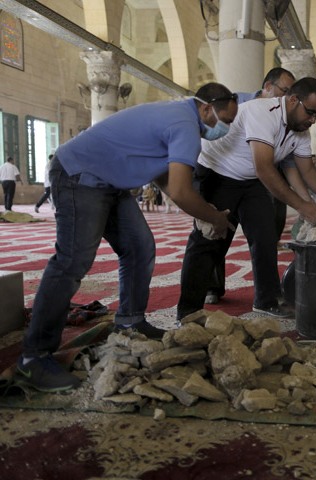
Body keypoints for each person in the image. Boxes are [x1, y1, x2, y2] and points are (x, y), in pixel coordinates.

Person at [15, 82, 238, 392]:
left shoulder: (179, 116)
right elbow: (183, 192)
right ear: (205, 108)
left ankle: (131, 321)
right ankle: (33, 359)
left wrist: (200, 209)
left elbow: (168, 180)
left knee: (139, 246)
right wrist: (213, 216)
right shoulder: (185, 124)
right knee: (72, 261)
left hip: (109, 182)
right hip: (79, 175)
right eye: (223, 121)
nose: (223, 129)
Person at [177, 77, 316, 321]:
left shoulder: (301, 131)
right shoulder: (263, 112)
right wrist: (302, 206)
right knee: (210, 238)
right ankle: (188, 310)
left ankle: (267, 300)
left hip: (250, 180)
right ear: (293, 100)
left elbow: (307, 171)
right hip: (218, 173)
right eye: (311, 112)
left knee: (265, 236)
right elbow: (265, 168)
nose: (313, 120)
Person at [204, 67, 299, 306]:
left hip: (259, 178)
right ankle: (211, 287)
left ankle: (267, 297)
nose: (286, 99)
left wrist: (302, 199)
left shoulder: (284, 117)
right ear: (267, 86)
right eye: (284, 91)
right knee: (218, 232)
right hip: (224, 175)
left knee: (265, 233)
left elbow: (287, 162)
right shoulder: (237, 103)